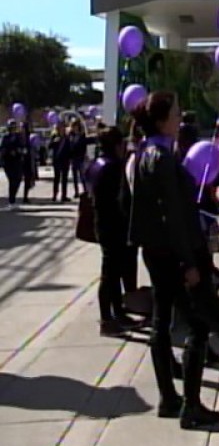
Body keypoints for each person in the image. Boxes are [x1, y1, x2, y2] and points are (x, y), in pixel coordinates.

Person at [127, 90, 219, 429]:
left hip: (154, 251)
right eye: (177, 112)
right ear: (163, 119)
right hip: (173, 254)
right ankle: (191, 406)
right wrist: (189, 263)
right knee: (197, 325)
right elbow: (173, 217)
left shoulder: (143, 154)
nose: (180, 118)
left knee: (161, 321)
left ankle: (168, 397)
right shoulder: (162, 159)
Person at [88, 126, 139, 336]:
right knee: (109, 274)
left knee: (114, 271)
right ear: (117, 145)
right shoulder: (113, 167)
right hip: (114, 226)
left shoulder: (95, 165)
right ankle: (107, 319)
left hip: (103, 223)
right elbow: (121, 200)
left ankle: (118, 313)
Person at [1, 120, 24, 208]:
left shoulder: (19, 137)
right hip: (8, 162)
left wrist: (20, 151)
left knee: (18, 180)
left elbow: (22, 146)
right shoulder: (5, 137)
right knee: (12, 181)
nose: (13, 129)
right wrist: (9, 152)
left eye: (14, 127)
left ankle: (13, 197)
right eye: (11, 127)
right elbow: (3, 148)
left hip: (17, 162)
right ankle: (11, 201)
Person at [50, 121, 71, 202]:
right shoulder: (54, 136)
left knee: (64, 179)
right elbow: (50, 146)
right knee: (56, 178)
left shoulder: (67, 137)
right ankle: (54, 195)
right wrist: (54, 141)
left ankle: (64, 196)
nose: (62, 129)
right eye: (60, 127)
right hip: (57, 160)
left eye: (63, 127)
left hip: (65, 160)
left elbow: (70, 148)